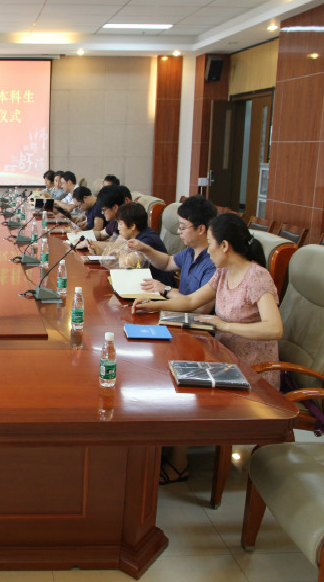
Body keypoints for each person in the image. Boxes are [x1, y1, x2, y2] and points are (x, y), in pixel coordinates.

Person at [133, 213, 283, 483]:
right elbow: (191, 302)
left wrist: (224, 325)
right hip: (224, 358)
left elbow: (274, 328)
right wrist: (151, 305)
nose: (207, 250)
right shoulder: (223, 272)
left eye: (211, 243)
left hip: (252, 372)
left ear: (224, 245)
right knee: (169, 369)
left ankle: (178, 464)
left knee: (182, 386)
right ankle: (166, 444)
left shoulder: (257, 277)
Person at [126, 194, 217, 311]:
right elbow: (167, 263)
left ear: (200, 229)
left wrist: (165, 290)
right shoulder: (190, 251)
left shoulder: (214, 262)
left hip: (192, 319)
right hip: (179, 311)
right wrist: (145, 249)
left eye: (182, 227)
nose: (178, 231)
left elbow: (200, 309)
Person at [114, 202, 176, 287]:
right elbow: (114, 253)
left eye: (120, 224)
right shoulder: (142, 233)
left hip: (160, 289)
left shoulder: (147, 240)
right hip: (146, 285)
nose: (118, 228)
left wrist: (122, 245)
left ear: (132, 226)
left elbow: (125, 264)